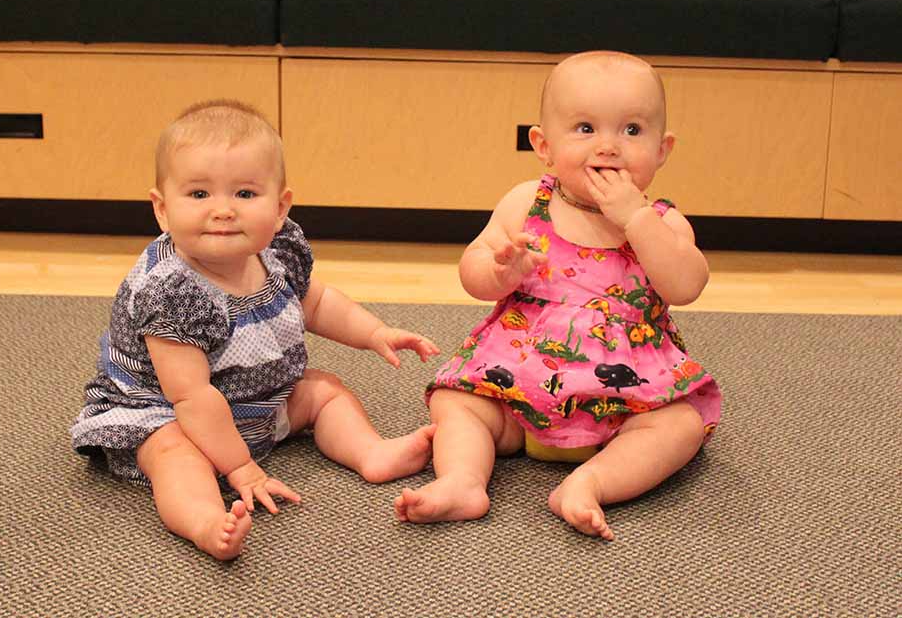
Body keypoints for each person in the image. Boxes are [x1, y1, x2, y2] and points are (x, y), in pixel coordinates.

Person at [71, 99, 440, 560]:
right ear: (162, 210)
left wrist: (375, 332)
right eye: (199, 195)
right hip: (171, 415)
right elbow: (192, 396)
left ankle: (370, 452)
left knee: (325, 391)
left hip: (262, 397)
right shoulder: (172, 291)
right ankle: (204, 522)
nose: (223, 210)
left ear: (281, 206)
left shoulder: (277, 253)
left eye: (244, 194)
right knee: (175, 460)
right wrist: (241, 468)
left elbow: (319, 303)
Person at [393, 51, 721, 540]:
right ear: (544, 146)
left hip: (625, 401)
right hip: (514, 389)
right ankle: (462, 480)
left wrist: (636, 218)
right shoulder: (526, 203)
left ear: (662, 150)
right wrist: (500, 270)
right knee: (455, 401)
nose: (608, 147)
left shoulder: (664, 222)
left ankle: (590, 482)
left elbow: (687, 285)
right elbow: (473, 272)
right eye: (585, 129)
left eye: (632, 131)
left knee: (682, 427)